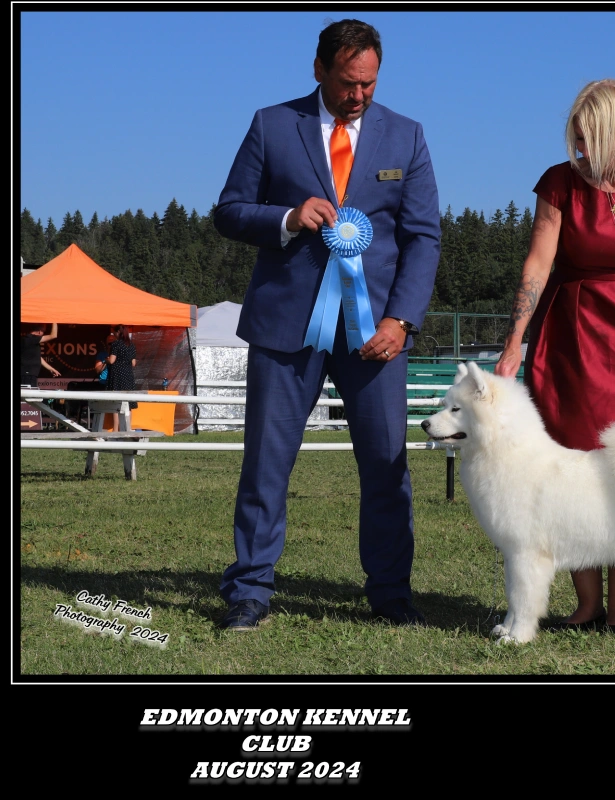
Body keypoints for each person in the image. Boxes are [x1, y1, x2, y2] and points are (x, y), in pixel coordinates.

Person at [213, 19, 440, 631]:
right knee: (265, 463)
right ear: (318, 70)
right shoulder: (270, 124)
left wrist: (401, 319)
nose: (358, 95)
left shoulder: (409, 137)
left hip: (376, 338)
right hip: (285, 329)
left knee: (387, 466)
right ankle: (251, 591)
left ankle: (391, 593)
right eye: (347, 82)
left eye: (368, 83)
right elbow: (229, 211)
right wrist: (285, 216)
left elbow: (423, 239)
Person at [494, 79, 615, 636]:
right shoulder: (558, 185)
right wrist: (514, 342)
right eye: (574, 140)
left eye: (589, 141)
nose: (579, 152)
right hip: (569, 335)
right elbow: (537, 263)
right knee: (569, 465)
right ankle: (586, 605)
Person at [106, 324, 138, 431]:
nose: (113, 334)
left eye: (114, 332)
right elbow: (133, 363)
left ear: (118, 332)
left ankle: (116, 430)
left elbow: (112, 360)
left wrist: (106, 359)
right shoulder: (131, 345)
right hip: (128, 376)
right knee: (129, 403)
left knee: (117, 403)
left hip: (117, 376)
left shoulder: (116, 344)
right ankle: (128, 429)